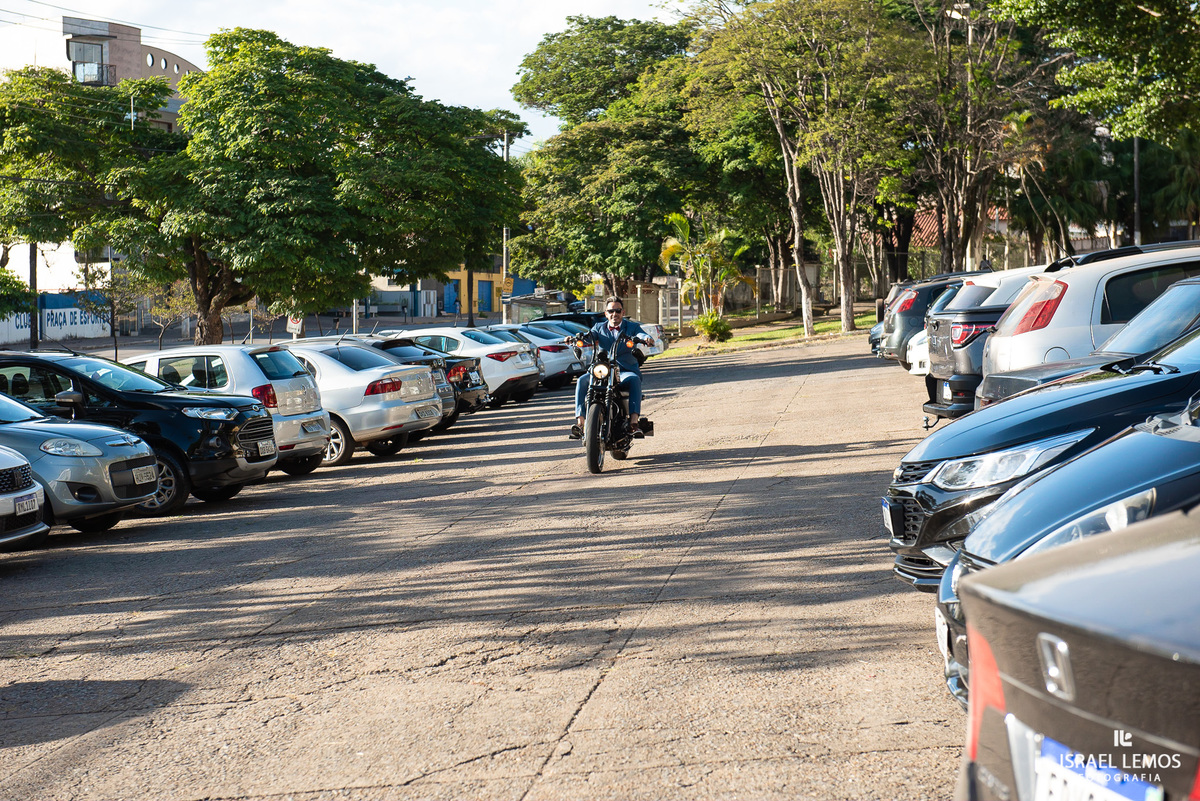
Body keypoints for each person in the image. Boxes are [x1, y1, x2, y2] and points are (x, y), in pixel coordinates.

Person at [569, 297, 650, 440]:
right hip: (602, 370)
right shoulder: (599, 327)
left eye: (617, 311)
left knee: (634, 379)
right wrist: (575, 339)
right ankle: (580, 423)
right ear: (606, 313)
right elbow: (589, 337)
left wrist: (646, 338)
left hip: (624, 370)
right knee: (582, 381)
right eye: (611, 311)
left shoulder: (631, 327)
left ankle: (633, 423)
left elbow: (641, 334)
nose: (614, 314)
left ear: (623, 312)